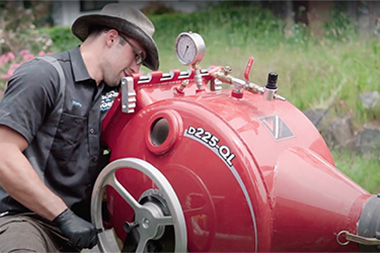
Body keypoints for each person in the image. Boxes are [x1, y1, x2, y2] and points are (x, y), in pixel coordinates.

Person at [0, 3, 159, 252]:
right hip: (26, 219)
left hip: (82, 229)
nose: (136, 69)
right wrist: (62, 215)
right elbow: (3, 154)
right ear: (111, 38)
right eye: (137, 56)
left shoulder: (114, 95)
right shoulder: (43, 76)